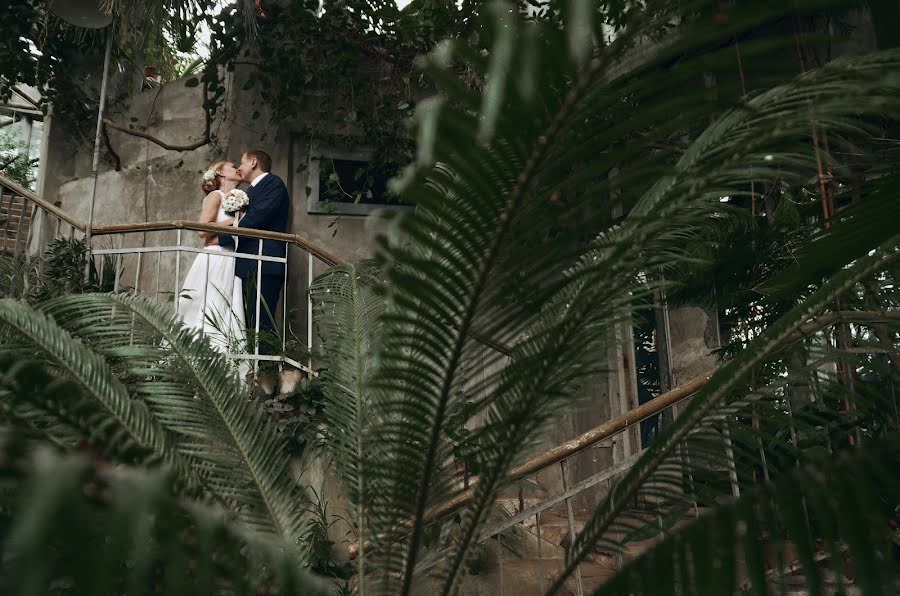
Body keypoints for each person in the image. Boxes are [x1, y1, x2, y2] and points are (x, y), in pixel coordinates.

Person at [216, 149, 290, 353]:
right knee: (249, 324)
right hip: (248, 264)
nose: (239, 167)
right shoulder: (249, 192)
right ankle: (256, 373)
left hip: (264, 262)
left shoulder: (273, 184)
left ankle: (268, 377)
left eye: (242, 162)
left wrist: (220, 236)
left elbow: (257, 218)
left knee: (262, 324)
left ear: (254, 162)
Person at [177, 161, 247, 354]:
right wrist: (235, 221)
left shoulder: (241, 199)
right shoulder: (215, 196)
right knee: (209, 304)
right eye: (232, 166)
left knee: (228, 308)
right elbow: (202, 230)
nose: (237, 168)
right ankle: (200, 353)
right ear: (220, 173)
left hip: (232, 258)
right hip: (216, 257)